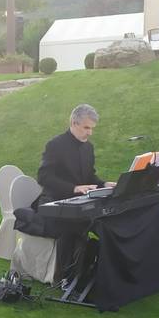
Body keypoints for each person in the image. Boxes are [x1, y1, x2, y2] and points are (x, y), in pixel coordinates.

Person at [35, 104, 116, 278]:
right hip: (54, 201)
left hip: (79, 202)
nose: (90, 133)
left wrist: (104, 184)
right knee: (71, 225)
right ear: (73, 123)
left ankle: (99, 270)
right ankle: (66, 277)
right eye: (86, 127)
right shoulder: (55, 145)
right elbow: (43, 177)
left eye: (92, 128)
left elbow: (90, 176)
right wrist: (73, 188)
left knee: (106, 222)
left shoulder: (88, 148)